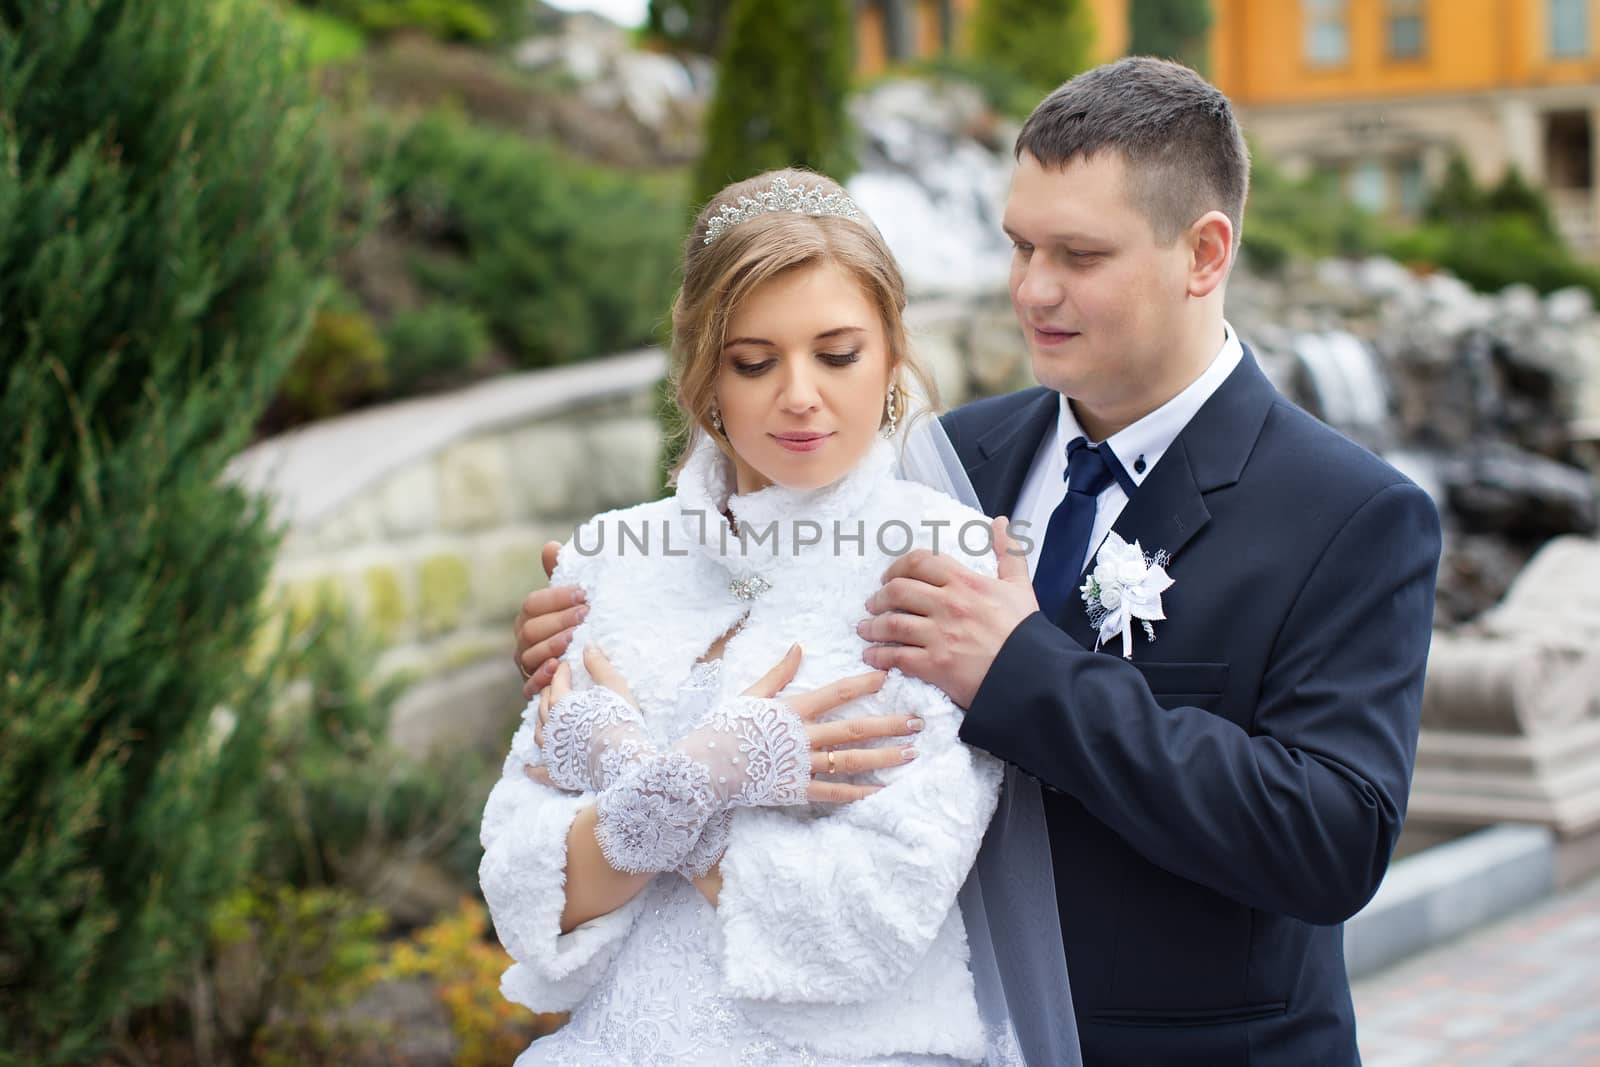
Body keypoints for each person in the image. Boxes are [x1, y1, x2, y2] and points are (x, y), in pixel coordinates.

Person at [518, 59, 1442, 1066]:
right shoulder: (950, 459)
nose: (1032, 289)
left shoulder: (1352, 513)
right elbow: (766, 616)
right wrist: (604, 626)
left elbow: (1329, 838)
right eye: (1019, 246)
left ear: (1203, 253)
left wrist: (1025, 672)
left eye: (1079, 255)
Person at [483, 168, 1058, 1066]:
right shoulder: (608, 554)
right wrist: (697, 777)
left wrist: (671, 789)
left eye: (837, 355)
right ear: (705, 369)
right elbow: (522, 886)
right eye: (754, 361)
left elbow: (877, 913)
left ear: (893, 354)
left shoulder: (945, 564)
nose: (799, 394)